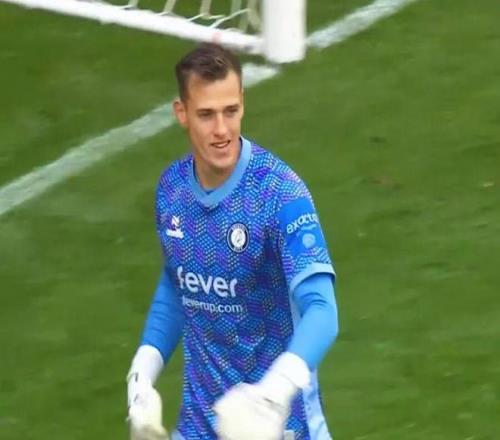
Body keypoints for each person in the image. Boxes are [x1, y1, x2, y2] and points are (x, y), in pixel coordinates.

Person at [126, 43, 339, 440]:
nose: (222, 130)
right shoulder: (172, 190)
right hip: (198, 425)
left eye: (231, 111)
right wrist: (141, 374)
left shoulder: (279, 194)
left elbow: (323, 311)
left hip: (280, 427)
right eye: (206, 115)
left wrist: (271, 396)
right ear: (182, 113)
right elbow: (177, 284)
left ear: (242, 102)